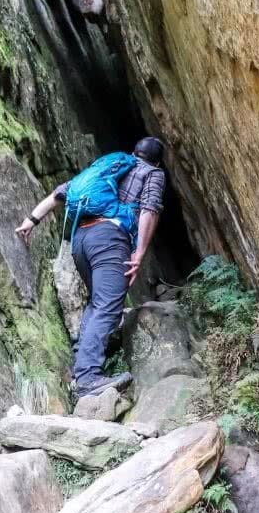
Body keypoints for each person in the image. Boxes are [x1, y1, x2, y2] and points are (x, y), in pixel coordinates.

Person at [16, 137, 165, 397]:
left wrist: (31, 220)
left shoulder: (108, 167)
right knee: (108, 305)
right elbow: (149, 210)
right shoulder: (153, 173)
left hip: (80, 240)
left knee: (97, 303)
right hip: (109, 238)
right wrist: (139, 252)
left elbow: (58, 194)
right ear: (158, 161)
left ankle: (79, 369)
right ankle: (87, 378)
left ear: (133, 152)